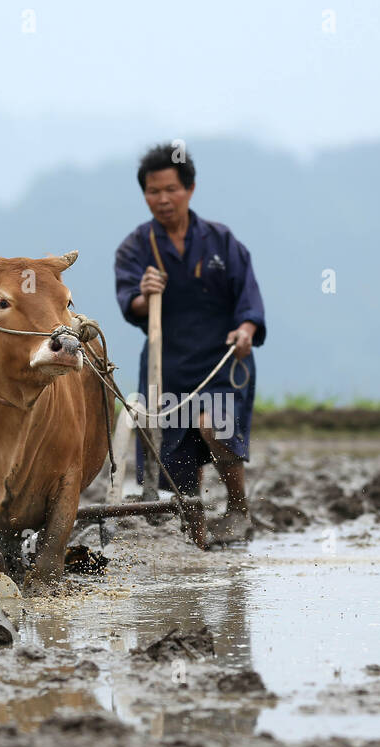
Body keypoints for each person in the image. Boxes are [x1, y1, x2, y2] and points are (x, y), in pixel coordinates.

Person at [114, 143, 267, 545]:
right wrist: (146, 295)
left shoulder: (221, 241)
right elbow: (130, 304)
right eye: (153, 191)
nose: (162, 199)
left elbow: (248, 301)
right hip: (167, 368)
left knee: (213, 422)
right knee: (174, 462)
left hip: (221, 363)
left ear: (190, 189)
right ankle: (193, 532)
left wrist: (246, 331)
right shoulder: (136, 247)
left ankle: (238, 509)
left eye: (170, 189)